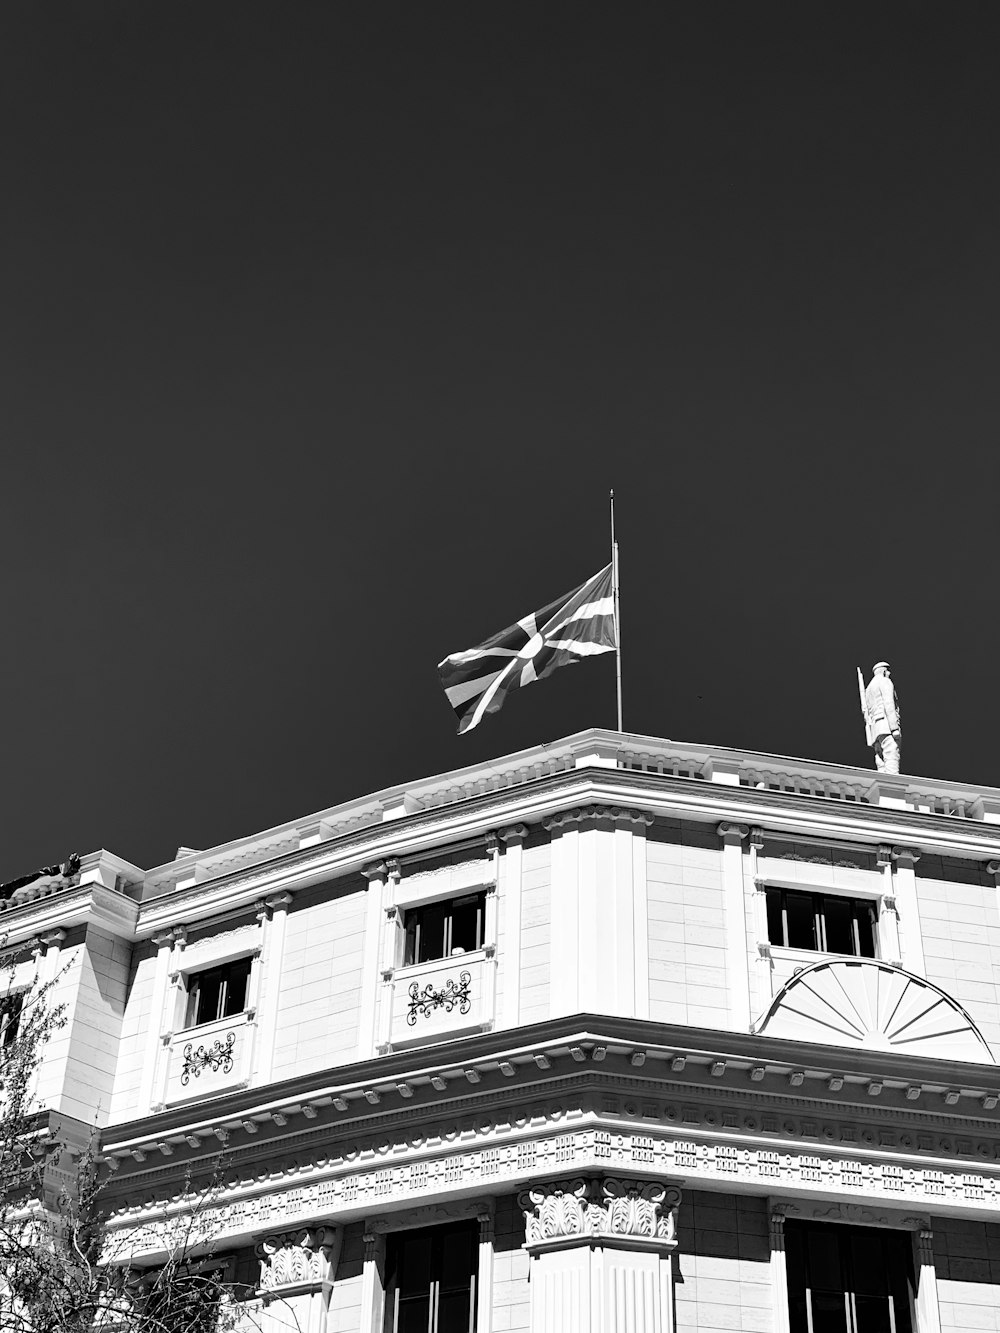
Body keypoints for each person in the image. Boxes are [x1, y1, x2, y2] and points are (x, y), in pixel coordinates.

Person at [865, 662, 901, 774]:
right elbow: (889, 703)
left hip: (875, 728)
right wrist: (894, 727)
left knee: (880, 758)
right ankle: (892, 781)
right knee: (891, 752)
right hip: (886, 725)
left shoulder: (868, 689)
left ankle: (883, 780)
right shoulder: (885, 681)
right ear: (884, 671)